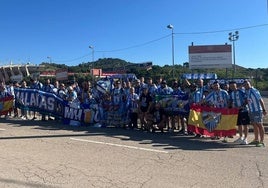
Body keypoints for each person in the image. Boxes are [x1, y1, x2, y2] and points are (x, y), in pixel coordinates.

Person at [243, 80, 267, 147]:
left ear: (250, 84)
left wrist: (264, 109)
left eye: (247, 84)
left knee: (259, 125)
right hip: (251, 111)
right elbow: (247, 101)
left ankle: (262, 141)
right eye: (245, 85)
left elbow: (260, 100)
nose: (246, 86)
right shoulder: (246, 91)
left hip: (257, 110)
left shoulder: (254, 90)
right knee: (254, 125)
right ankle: (256, 139)